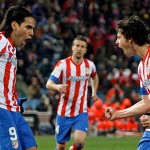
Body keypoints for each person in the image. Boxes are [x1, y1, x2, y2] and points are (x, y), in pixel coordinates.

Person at [46, 35, 99, 150]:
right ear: (72, 47)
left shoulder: (90, 65)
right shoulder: (62, 65)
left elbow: (94, 77)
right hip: (64, 112)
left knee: (79, 142)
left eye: (82, 47)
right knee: (60, 147)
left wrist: (94, 91)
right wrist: (58, 86)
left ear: (85, 50)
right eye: (77, 46)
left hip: (81, 111)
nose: (79, 48)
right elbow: (48, 84)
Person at [105, 15, 150, 150]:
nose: (117, 42)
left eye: (119, 37)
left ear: (130, 39)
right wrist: (118, 114)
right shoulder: (142, 66)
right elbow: (147, 102)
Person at [0, 5, 37, 150]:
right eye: (28, 27)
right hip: (2, 110)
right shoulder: (2, 41)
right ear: (14, 25)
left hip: (13, 109)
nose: (32, 33)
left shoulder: (11, 48)